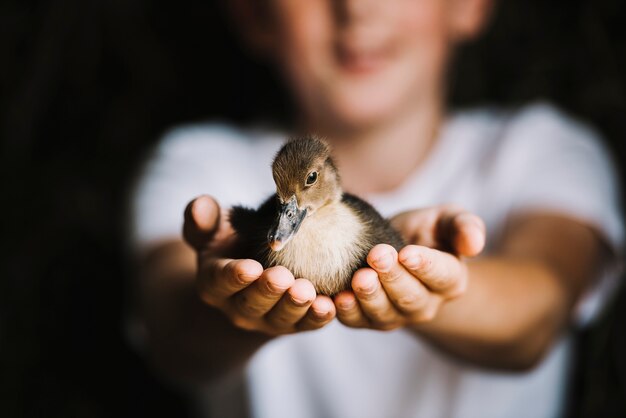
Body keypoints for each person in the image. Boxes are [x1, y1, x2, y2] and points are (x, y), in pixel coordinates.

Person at [128, 1, 623, 417]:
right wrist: (232, 306)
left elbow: (538, 314)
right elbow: (175, 337)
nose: (356, 9)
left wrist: (431, 289)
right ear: (253, 14)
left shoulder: (541, 152)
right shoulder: (200, 165)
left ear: (469, 6)